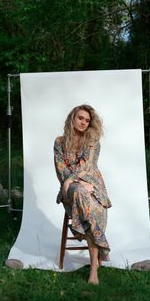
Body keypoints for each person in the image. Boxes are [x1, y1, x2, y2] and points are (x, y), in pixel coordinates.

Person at [54, 104, 112, 284]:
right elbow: (61, 169)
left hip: (93, 184)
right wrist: (73, 181)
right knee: (80, 192)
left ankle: (94, 265)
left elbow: (89, 167)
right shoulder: (59, 142)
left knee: (91, 204)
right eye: (80, 118)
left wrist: (76, 180)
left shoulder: (93, 142)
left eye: (87, 120)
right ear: (73, 118)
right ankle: (95, 265)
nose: (83, 122)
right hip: (70, 188)